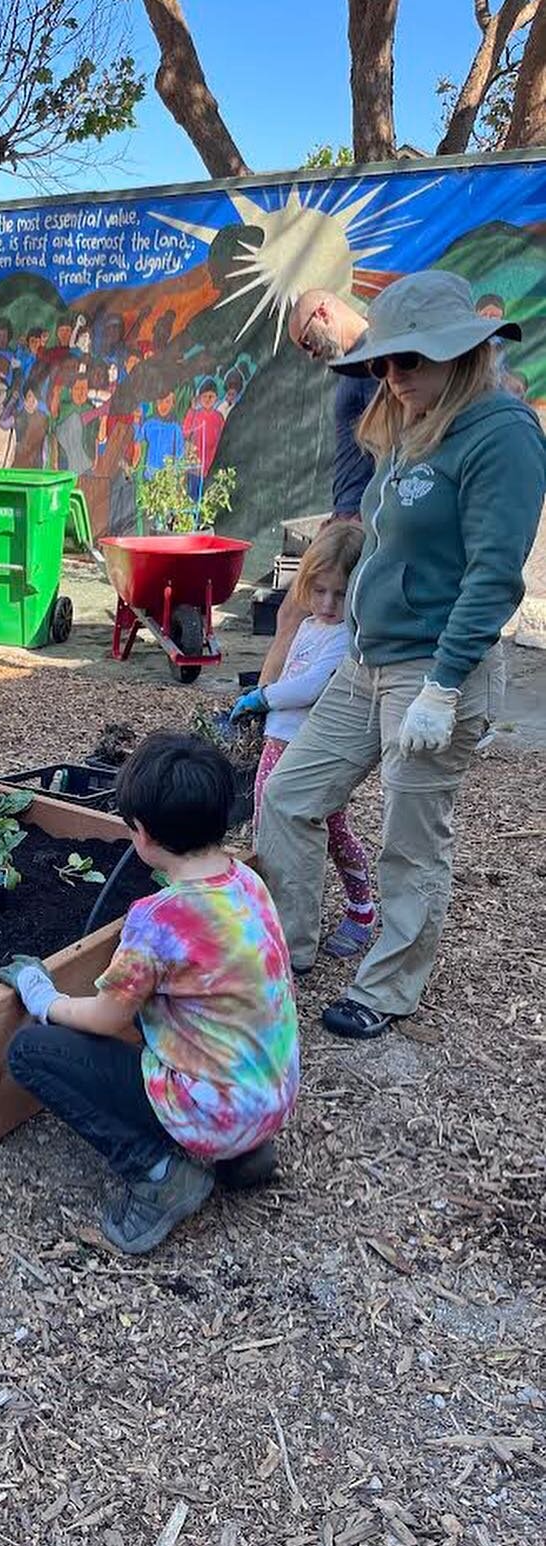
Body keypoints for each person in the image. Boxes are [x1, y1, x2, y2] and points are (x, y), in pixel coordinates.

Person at [258, 270, 544, 1040]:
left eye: (408, 360)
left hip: (433, 669)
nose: (391, 376)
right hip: (365, 659)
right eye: (383, 362)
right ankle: (289, 947)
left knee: (411, 838)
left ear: (460, 353)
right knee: (287, 798)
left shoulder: (502, 434)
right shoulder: (410, 424)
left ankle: (388, 987)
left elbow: (493, 576)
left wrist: (445, 687)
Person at [0, 733, 299, 1255]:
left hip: (216, 1111)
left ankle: (159, 1174)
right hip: (269, 1098)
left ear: (143, 834)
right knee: (178, 1011)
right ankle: (244, 1156)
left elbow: (104, 1018)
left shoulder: (157, 921)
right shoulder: (247, 882)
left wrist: (41, 994)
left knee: (32, 1052)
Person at [231, 523, 376, 959]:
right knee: (267, 826)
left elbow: (310, 686)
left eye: (340, 594)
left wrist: (262, 696)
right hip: (280, 740)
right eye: (320, 591)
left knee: (330, 831)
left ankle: (360, 906)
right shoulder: (310, 626)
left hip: (309, 748)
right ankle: (270, 910)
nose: (329, 604)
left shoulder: (343, 636)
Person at [262, 290, 379, 684]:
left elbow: (389, 446)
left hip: (359, 519)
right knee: (298, 616)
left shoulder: (374, 359)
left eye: (308, 342)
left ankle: (256, 715)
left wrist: (361, 518)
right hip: (348, 513)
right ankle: (271, 712)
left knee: (297, 613)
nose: (311, 355)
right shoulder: (358, 363)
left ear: (324, 311)